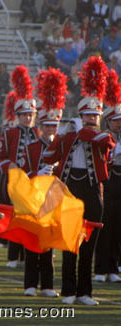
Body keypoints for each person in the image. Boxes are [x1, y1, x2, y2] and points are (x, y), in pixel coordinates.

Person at [43, 56, 115, 305]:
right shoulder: (69, 135)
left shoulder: (102, 135)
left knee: (89, 242)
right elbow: (48, 155)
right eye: (88, 117)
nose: (92, 120)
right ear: (81, 115)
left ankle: (85, 292)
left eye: (95, 117)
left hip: (94, 190)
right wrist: (62, 135)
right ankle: (69, 291)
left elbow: (103, 141)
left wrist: (79, 130)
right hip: (70, 190)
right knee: (69, 242)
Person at [22, 67, 68, 298]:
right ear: (41, 126)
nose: (51, 129)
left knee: (48, 244)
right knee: (32, 242)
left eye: (54, 126)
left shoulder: (64, 147)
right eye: (48, 126)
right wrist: (37, 174)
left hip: (53, 199)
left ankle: (48, 285)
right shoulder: (31, 147)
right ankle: (30, 284)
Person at [0, 66, 41, 267]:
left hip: (33, 182)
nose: (27, 118)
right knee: (15, 217)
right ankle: (13, 256)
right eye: (24, 115)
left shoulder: (38, 133)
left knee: (31, 217)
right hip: (13, 182)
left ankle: (27, 255)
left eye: (30, 115)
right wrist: (10, 166)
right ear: (18, 116)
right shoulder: (9, 133)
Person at [93, 69, 121, 283]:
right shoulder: (104, 137)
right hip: (109, 181)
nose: (118, 123)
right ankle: (101, 268)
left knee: (119, 226)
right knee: (106, 225)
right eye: (114, 120)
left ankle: (114, 266)